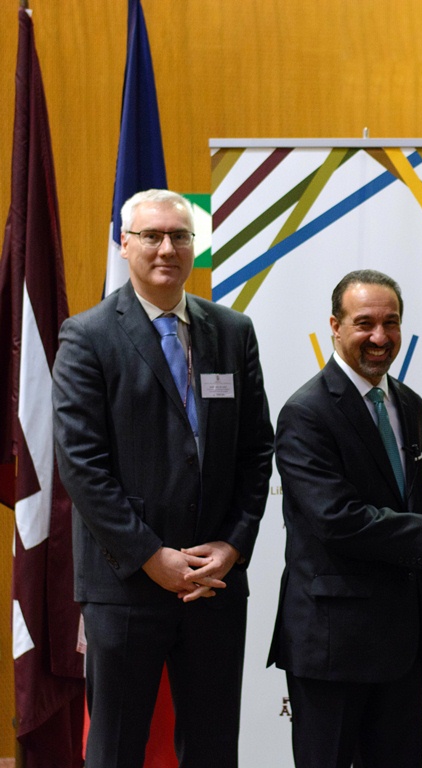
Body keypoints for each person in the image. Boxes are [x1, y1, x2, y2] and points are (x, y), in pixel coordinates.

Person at [52, 189, 274, 768]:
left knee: (212, 748)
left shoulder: (232, 330)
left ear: (194, 248)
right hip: (125, 585)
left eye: (179, 236)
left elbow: (257, 450)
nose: (166, 248)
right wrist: (152, 556)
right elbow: (81, 464)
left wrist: (232, 545)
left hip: (214, 583)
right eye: (151, 236)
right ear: (124, 245)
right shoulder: (87, 336)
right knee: (117, 750)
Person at [268, 269, 422, 768]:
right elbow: (336, 517)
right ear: (335, 327)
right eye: (365, 324)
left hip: (400, 637)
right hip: (331, 643)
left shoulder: (408, 403)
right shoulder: (306, 412)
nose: (380, 338)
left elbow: (408, 495)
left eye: (391, 323)